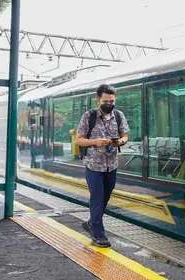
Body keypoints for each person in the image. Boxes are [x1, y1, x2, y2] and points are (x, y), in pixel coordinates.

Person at [76, 84, 129, 248]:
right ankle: (98, 234)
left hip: (111, 165)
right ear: (98, 100)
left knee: (105, 198)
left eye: (112, 101)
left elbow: (125, 135)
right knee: (97, 198)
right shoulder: (88, 116)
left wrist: (120, 141)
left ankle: (92, 222)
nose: (109, 104)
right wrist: (95, 142)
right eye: (106, 101)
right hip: (94, 166)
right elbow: (78, 140)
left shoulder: (119, 116)